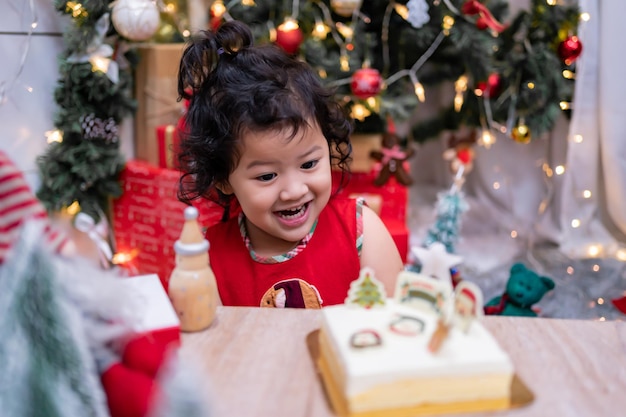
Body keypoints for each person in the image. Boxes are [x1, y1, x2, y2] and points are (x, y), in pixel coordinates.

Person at [176, 20, 404, 308]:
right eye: (267, 175)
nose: (294, 191)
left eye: (309, 164)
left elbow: (396, 330)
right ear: (222, 178)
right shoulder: (208, 258)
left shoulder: (361, 231)